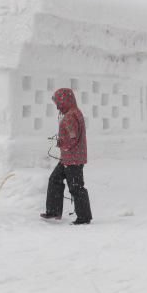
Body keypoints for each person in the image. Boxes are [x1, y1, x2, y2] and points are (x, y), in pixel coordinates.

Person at [41, 88, 92, 225]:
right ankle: (53, 211)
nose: (57, 106)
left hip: (73, 159)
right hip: (69, 157)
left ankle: (84, 217)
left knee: (76, 187)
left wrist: (61, 143)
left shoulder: (70, 116)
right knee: (55, 180)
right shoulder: (75, 112)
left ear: (65, 101)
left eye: (59, 103)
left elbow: (72, 137)